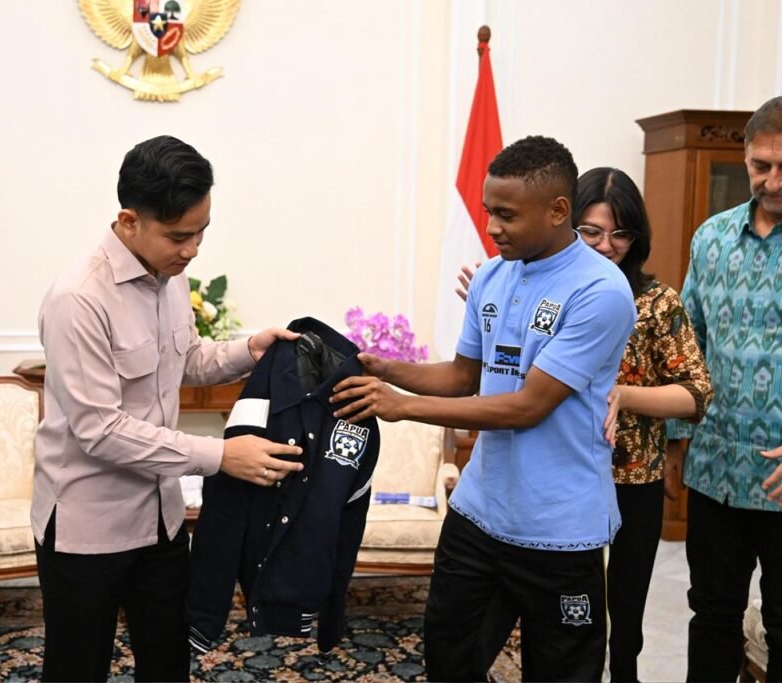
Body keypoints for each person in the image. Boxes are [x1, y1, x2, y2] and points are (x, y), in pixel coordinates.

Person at [331, 135, 637, 681]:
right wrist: (384, 368)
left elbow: (526, 407)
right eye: (487, 211)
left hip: (560, 529)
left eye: (506, 215)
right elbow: (463, 376)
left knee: (562, 672)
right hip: (478, 514)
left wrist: (403, 407)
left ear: (558, 210)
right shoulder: (493, 277)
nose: (492, 227)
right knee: (450, 659)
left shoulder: (600, 291)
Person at [31, 135, 304, 682]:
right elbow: (100, 431)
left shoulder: (168, 279)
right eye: (179, 235)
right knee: (76, 670)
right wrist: (220, 455)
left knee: (167, 666)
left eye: (203, 231)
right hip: (88, 527)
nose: (193, 249)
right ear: (129, 222)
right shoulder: (78, 299)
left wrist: (249, 350)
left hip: (161, 519)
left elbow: (186, 361)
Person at [457, 167, 715, 682]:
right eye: (593, 231)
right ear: (567, 221)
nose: (606, 246)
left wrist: (621, 393)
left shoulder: (655, 302)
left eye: (620, 234)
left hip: (630, 477)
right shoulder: (533, 283)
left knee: (623, 613)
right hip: (555, 482)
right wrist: (494, 311)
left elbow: (695, 392)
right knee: (540, 615)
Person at [672, 96, 782, 682]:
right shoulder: (711, 239)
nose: (773, 181)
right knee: (712, 614)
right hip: (714, 469)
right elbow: (685, 345)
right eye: (762, 165)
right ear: (745, 158)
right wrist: (670, 441)